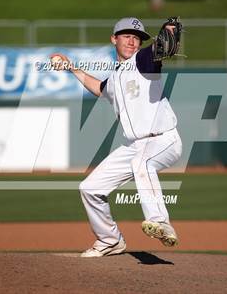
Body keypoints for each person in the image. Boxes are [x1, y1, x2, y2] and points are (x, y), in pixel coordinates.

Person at [52, 17, 183, 257]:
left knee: (142, 163)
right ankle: (110, 240)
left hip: (163, 139)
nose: (133, 41)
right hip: (135, 146)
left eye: (137, 37)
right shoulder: (115, 76)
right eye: (127, 36)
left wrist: (169, 32)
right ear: (114, 39)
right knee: (90, 188)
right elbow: (99, 89)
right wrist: (71, 67)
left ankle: (161, 223)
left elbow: (159, 49)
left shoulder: (143, 61)